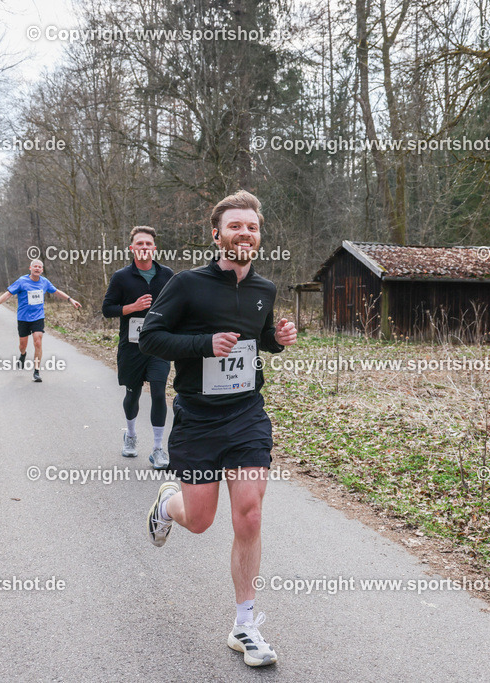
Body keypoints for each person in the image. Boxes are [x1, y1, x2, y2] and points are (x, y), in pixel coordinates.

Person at [139, 190, 297, 667]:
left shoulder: (264, 289)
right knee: (202, 520)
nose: (243, 234)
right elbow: (151, 336)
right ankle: (168, 504)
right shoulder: (188, 284)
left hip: (246, 414)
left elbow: (259, 339)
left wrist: (279, 339)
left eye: (251, 227)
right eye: (235, 227)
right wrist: (205, 344)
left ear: (258, 235)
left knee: (248, 514)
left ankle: (245, 626)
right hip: (198, 416)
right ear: (217, 234)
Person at [101, 226, 174, 468]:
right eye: (139, 244)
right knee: (132, 394)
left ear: (155, 248)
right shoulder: (121, 277)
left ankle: (157, 449)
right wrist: (131, 307)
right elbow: (107, 309)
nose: (144, 248)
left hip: (159, 345)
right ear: (132, 248)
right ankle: (130, 436)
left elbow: (178, 306)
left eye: (148, 244)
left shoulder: (167, 275)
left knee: (158, 392)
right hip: (131, 346)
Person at [0, 259, 81, 382]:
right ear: (30, 268)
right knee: (23, 344)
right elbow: (8, 294)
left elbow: (56, 292)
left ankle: (36, 371)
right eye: (35, 267)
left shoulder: (44, 282)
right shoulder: (22, 281)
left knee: (38, 341)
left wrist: (70, 299)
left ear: (42, 270)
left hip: (38, 317)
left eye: (39, 267)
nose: (37, 269)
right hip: (23, 317)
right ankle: (23, 355)